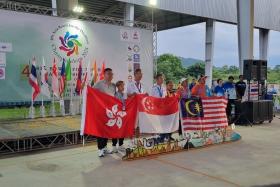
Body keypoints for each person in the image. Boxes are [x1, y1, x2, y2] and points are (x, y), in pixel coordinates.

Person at [93, 68, 116, 157]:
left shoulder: (114, 86)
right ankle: (100, 149)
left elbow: (115, 97)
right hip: (101, 110)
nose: (110, 75)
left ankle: (105, 147)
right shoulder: (99, 84)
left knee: (107, 129)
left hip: (110, 112)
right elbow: (92, 93)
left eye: (111, 74)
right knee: (100, 130)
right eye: (108, 74)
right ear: (104, 74)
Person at [127, 68, 145, 147]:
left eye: (141, 74)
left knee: (138, 125)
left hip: (140, 108)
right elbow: (128, 95)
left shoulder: (142, 85)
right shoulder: (130, 84)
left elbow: (143, 96)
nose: (140, 75)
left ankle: (137, 140)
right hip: (133, 108)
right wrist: (133, 94)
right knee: (132, 125)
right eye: (139, 74)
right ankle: (131, 140)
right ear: (135, 75)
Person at [151, 73, 168, 142]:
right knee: (156, 123)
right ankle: (155, 138)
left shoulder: (164, 87)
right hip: (156, 108)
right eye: (161, 78)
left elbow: (165, 97)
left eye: (163, 78)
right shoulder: (153, 87)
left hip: (162, 107)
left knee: (162, 123)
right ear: (157, 79)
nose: (162, 79)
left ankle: (162, 137)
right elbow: (151, 98)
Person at [112, 81, 126, 153]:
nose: (123, 87)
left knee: (122, 130)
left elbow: (126, 103)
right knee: (115, 130)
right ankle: (114, 146)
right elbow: (115, 104)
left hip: (122, 114)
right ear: (118, 87)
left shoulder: (124, 94)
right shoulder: (116, 94)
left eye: (123, 86)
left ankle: (121, 144)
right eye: (121, 86)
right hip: (117, 114)